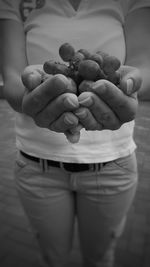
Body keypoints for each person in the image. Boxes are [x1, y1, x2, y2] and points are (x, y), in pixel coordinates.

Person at [0, 1, 149, 267]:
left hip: (112, 164)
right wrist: (27, 97)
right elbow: (12, 79)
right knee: (52, 259)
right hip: (37, 166)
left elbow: (143, 67)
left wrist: (132, 83)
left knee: (100, 259)